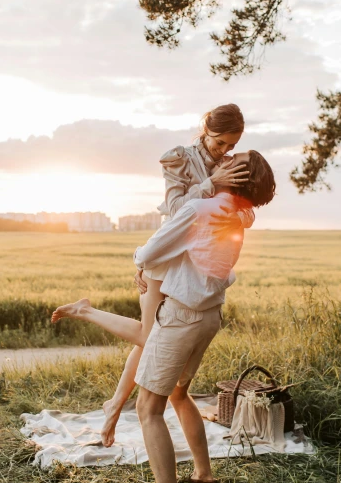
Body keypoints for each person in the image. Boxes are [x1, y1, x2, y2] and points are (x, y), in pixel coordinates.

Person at [52, 150, 276, 483]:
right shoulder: (238, 216)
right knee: (177, 393)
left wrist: (140, 260)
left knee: (148, 409)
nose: (222, 159)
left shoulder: (199, 210)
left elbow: (152, 249)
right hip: (209, 317)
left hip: (181, 318)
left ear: (232, 173)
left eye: (230, 159)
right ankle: (203, 475)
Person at [56, 104, 253, 448]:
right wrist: (211, 184)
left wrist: (238, 219)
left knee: (152, 337)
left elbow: (248, 209)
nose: (225, 151)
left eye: (231, 145)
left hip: (193, 266)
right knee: (150, 337)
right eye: (220, 142)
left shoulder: (232, 164)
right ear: (206, 129)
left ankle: (114, 403)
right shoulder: (179, 159)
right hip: (166, 257)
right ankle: (86, 316)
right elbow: (177, 210)